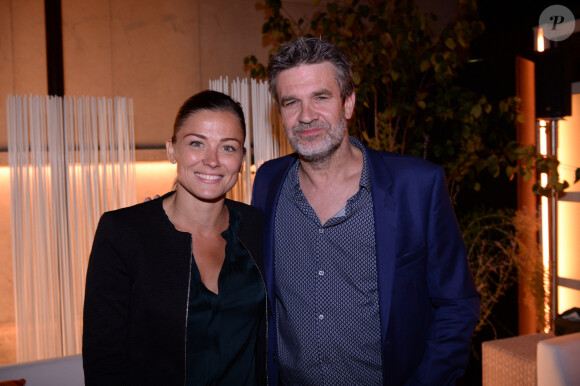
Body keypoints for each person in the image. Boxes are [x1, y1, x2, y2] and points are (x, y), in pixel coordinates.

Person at [251, 37, 480, 385]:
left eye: (321, 97)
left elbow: (456, 304)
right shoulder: (268, 182)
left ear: (348, 103)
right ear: (279, 112)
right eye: (291, 102)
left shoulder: (416, 186)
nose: (306, 115)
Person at [82, 90, 267, 385]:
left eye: (228, 148)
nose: (212, 160)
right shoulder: (123, 233)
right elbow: (103, 361)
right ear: (172, 150)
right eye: (197, 143)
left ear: (242, 158)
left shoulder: (258, 227)